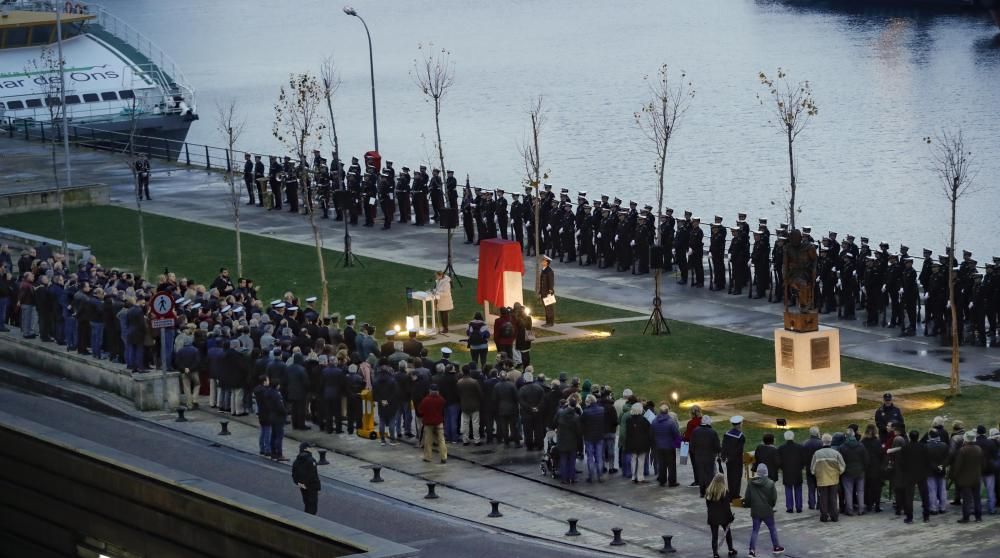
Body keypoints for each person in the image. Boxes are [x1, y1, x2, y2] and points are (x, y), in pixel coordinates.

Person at [744, 464, 783, 557]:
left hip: (755, 511)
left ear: (757, 472)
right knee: (772, 528)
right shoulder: (770, 483)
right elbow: (773, 498)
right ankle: (776, 547)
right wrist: (771, 506)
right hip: (767, 510)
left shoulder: (751, 483)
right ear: (766, 472)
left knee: (755, 530)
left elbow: (747, 498)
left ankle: (752, 550)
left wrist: (750, 505)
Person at [811, 433, 846, 522]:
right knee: (833, 498)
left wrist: (817, 474)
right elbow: (842, 466)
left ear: (823, 441)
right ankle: (834, 516)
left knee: (823, 498)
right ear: (831, 441)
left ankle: (824, 517)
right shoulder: (836, 453)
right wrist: (838, 473)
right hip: (834, 479)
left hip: (822, 479)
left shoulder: (817, 453)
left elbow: (813, 468)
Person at [952, 430, 983, 522]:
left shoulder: (963, 450)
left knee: (967, 499)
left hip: (965, 479)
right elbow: (983, 463)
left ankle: (966, 517)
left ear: (965, 439)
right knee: (977, 498)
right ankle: (978, 517)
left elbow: (958, 466)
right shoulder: (979, 449)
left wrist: (954, 476)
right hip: (976, 478)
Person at [837, 427, 869, 516]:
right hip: (860, 471)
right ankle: (861, 509)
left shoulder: (842, 447)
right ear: (854, 435)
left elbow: (840, 461)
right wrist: (863, 469)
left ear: (846, 436)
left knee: (848, 491)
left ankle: (849, 510)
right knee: (860, 491)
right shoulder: (861, 445)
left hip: (847, 472)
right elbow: (866, 459)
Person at [705, 473, 737, 558]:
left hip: (712, 517)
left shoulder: (709, 491)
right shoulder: (724, 492)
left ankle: (715, 553)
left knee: (714, 536)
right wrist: (730, 517)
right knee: (727, 533)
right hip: (724, 517)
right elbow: (727, 507)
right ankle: (730, 550)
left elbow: (707, 504)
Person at [651, 403, 681, 487]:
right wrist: (678, 444)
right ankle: (672, 481)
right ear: (668, 411)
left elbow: (652, 433)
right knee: (671, 465)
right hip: (669, 446)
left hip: (659, 446)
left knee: (661, 463)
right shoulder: (671, 422)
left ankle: (662, 480)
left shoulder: (654, 421)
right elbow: (676, 434)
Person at [691, 415, 721, 497]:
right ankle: (709, 491)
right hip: (709, 457)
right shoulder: (712, 432)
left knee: (701, 473)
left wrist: (695, 453)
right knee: (709, 474)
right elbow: (717, 446)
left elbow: (692, 445)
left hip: (698, 457)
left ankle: (702, 491)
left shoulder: (695, 431)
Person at [418, 384, 447, 464]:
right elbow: (444, 407)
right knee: (441, 440)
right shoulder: (441, 399)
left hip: (428, 423)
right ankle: (443, 457)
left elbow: (420, 411)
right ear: (438, 391)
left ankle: (428, 457)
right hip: (439, 422)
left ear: (430, 390)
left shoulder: (425, 400)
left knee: (428, 440)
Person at [777, 430, 805, 513]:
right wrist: (801, 467)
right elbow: (803, 459)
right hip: (797, 471)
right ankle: (799, 507)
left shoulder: (781, 448)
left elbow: (779, 461)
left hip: (787, 471)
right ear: (793, 437)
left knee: (788, 489)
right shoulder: (800, 447)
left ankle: (789, 507)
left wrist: (782, 468)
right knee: (798, 489)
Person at [580, 394, 606, 483]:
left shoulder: (586, 412)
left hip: (589, 437)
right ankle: (600, 475)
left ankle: (591, 476)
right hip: (599, 436)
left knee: (590, 457)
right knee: (599, 457)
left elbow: (581, 422)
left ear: (589, 402)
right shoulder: (601, 410)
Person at [556, 396, 582, 483]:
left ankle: (564, 479)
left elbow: (554, 422)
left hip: (562, 440)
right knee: (572, 461)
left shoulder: (561, 413)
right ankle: (572, 477)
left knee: (563, 460)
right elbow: (578, 432)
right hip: (572, 441)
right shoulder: (576, 417)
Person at [625, 401, 652, 483]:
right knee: (641, 460)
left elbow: (628, 433)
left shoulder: (629, 420)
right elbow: (649, 432)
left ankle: (633, 476)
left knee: (633, 459)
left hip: (632, 443)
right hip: (642, 443)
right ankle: (640, 476)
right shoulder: (644, 420)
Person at [291, 442, 321, 515]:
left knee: (307, 503)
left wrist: (299, 483)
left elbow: (294, 473)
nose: (311, 449)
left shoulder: (297, 460)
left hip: (302, 486)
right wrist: (318, 487)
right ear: (306, 449)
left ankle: (305, 517)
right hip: (311, 486)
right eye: (310, 447)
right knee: (312, 506)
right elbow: (313, 475)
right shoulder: (311, 460)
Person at [722, 416, 747, 500]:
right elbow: (739, 450)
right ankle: (735, 495)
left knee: (730, 476)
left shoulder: (727, 433)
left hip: (729, 459)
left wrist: (724, 457)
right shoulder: (741, 436)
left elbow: (724, 446)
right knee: (737, 477)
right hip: (737, 460)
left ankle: (731, 494)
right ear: (739, 424)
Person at [457, 367, 482, 446]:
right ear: (469, 372)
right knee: (475, 423)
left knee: (465, 423)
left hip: (464, 405)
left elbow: (458, 394)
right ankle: (476, 440)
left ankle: (465, 440)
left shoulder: (459, 382)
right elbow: (480, 393)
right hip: (474, 405)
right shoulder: (474, 382)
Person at [802, 426, 823, 510]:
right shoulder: (821, 443)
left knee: (811, 487)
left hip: (809, 467)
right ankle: (819, 504)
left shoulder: (805, 443)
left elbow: (803, 456)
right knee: (820, 486)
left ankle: (811, 504)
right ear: (817, 433)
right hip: (819, 468)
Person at [539, 255, 556, 326]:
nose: (542, 262)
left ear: (547, 262)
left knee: (549, 308)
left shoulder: (549, 271)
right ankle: (547, 322)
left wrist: (550, 292)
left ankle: (550, 322)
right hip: (543, 292)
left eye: (543, 261)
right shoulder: (544, 270)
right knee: (546, 308)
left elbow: (551, 282)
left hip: (547, 293)